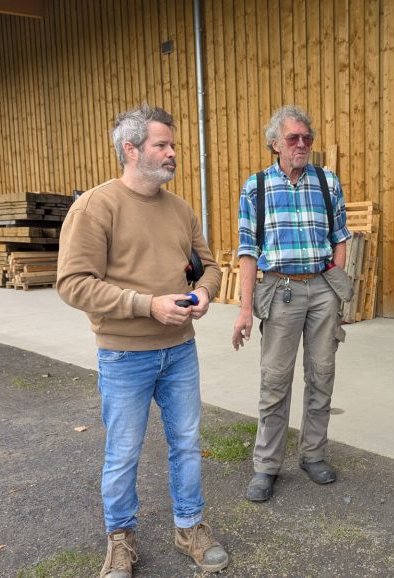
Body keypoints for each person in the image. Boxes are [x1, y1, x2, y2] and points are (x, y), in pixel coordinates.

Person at [57, 104, 228, 578]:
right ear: (131, 150)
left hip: (180, 351)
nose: (173, 152)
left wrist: (203, 293)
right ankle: (120, 540)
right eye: (162, 145)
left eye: (172, 144)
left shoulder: (181, 209)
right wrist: (146, 305)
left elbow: (209, 265)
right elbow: (72, 283)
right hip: (123, 353)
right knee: (123, 451)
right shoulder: (95, 207)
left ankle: (189, 527)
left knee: (188, 442)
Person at [232, 105, 352, 503]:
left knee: (322, 373)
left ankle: (313, 455)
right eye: (292, 138)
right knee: (275, 380)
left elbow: (341, 236)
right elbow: (247, 252)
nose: (301, 145)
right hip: (279, 291)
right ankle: (266, 466)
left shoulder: (327, 181)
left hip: (321, 289)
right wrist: (245, 309)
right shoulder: (256, 187)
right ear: (274, 144)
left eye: (307, 138)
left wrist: (335, 285)